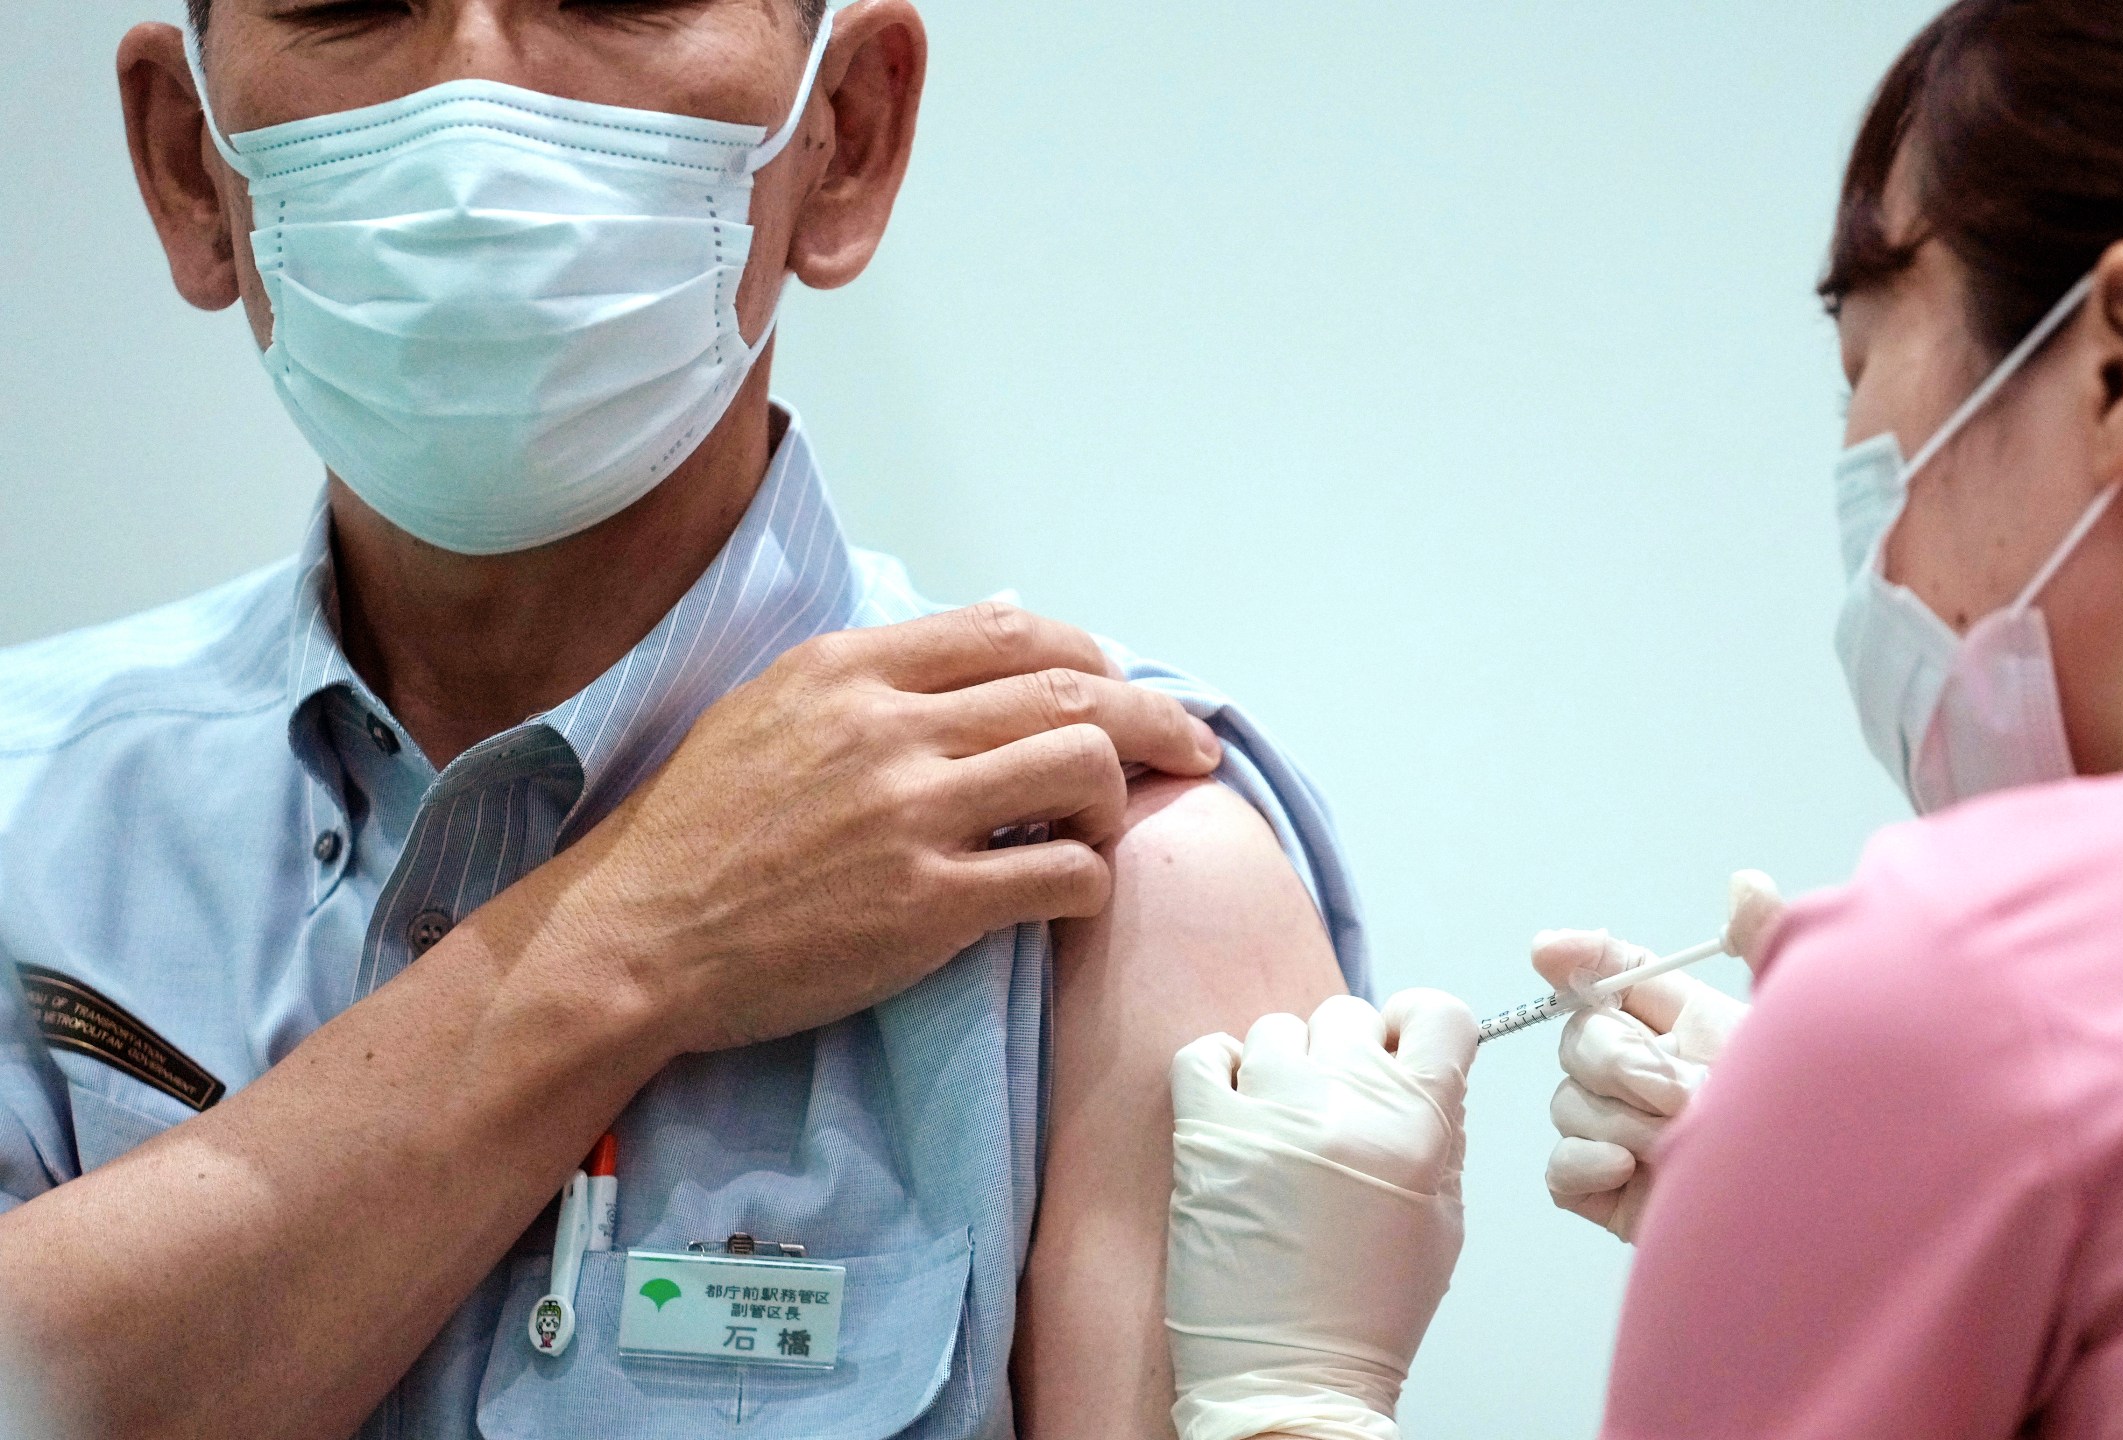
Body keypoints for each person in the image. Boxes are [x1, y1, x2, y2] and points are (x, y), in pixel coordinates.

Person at [1160, 0, 2123, 1436]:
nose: (1858, 488)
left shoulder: (1982, 974)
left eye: (1863, 371)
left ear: (2121, 359)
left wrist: (1293, 1392)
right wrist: (1854, 1207)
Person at [0, 1, 1356, 1436]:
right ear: (187, 163)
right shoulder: (25, 821)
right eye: (349, 0)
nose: (475, 111)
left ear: (847, 137)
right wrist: (634, 928)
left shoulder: (1110, 865)